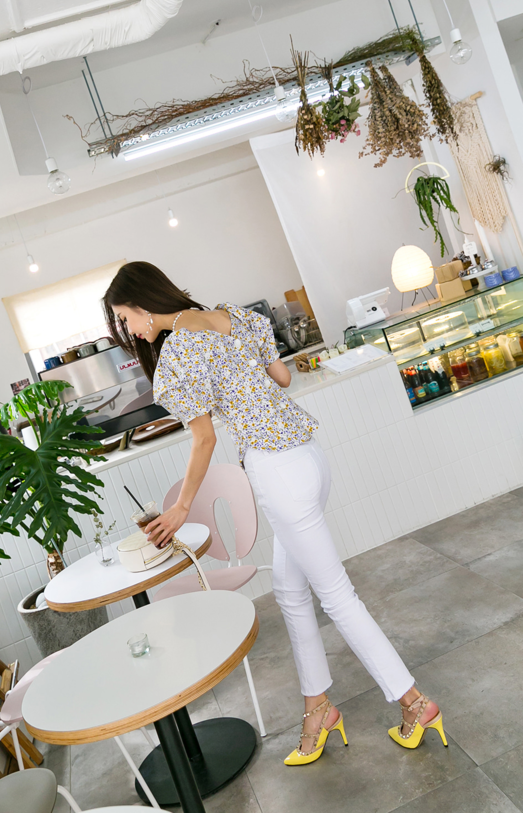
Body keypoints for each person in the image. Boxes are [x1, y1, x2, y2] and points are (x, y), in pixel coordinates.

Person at [103, 261, 447, 764]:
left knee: (337, 597)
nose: (128, 330)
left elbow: (204, 437)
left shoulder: (177, 353)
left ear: (143, 304)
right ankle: (319, 709)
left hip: (277, 472)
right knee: (289, 591)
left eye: (124, 318)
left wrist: (180, 507)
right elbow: (281, 377)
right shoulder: (232, 316)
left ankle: (415, 703)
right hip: (308, 455)